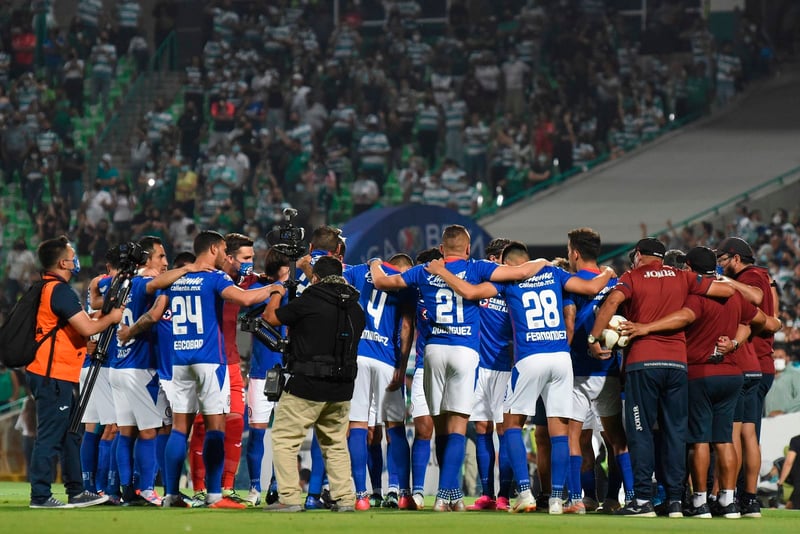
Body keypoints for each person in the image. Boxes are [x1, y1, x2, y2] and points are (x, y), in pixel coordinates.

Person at [371, 225, 609, 512]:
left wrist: (422, 269)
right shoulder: (550, 273)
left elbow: (465, 292)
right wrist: (606, 273)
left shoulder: (435, 272)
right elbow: (588, 286)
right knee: (559, 431)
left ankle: (517, 493)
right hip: (555, 356)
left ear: (443, 249)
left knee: (473, 426)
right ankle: (559, 500)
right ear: (469, 249)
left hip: (481, 354)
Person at [620, 246, 778, 518]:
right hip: (732, 374)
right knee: (726, 440)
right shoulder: (733, 295)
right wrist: (735, 343)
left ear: (690, 268)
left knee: (698, 442)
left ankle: (699, 501)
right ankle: (731, 502)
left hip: (700, 374)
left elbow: (685, 317)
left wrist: (645, 327)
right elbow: (763, 321)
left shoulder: (695, 297)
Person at [588, 238, 736, 517]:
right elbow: (725, 289)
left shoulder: (631, 277)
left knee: (640, 431)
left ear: (639, 255)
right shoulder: (683, 276)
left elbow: (613, 301)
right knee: (675, 432)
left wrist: (593, 337)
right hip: (677, 364)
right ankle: (676, 500)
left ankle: (643, 500)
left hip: (643, 363)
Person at [157, 231, 283, 508]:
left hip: (179, 360)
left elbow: (155, 293)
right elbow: (245, 300)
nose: (225, 255)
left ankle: (171, 494)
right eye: (223, 249)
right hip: (210, 360)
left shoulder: (176, 278)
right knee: (216, 427)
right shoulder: (216, 278)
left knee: (180, 429)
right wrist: (276, 288)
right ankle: (215, 495)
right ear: (214, 249)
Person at [263, 256, 366, 512]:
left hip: (307, 385)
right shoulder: (355, 306)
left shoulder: (310, 299)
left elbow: (271, 318)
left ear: (316, 278)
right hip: (342, 387)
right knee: (335, 443)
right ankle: (344, 499)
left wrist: (277, 292)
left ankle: (288, 498)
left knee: (285, 439)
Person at [26, 236, 123, 508]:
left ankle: (77, 491)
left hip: (58, 371)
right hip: (52, 372)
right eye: (72, 254)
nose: (76, 258)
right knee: (50, 435)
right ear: (63, 262)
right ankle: (40, 496)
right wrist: (112, 318)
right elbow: (89, 328)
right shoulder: (60, 290)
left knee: (71, 433)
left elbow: (73, 327)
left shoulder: (47, 288)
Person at [563, 228, 635, 514]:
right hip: (609, 370)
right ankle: (626, 498)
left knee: (576, 437)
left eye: (569, 251)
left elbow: (570, 322)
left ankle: (580, 499)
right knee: (616, 438)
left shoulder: (570, 283)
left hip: (579, 369)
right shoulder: (615, 282)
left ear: (575, 253)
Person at [344, 253, 416, 510]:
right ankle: (400, 492)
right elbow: (407, 326)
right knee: (395, 428)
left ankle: (361, 495)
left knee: (358, 426)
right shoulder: (407, 285)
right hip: (387, 361)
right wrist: (402, 364)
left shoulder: (358, 273)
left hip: (358, 357)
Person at [716, 236, 779, 517]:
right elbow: (772, 316)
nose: (720, 267)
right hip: (761, 364)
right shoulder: (764, 276)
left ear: (736, 259)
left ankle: (731, 497)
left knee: (736, 434)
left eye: (723, 261)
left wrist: (727, 282)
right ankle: (750, 499)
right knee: (750, 434)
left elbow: (757, 301)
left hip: (745, 360)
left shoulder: (751, 277)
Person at [465, 238, 513, 512]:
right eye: (496, 258)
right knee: (482, 428)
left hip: (506, 367)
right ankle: (487, 494)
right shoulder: (478, 286)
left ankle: (505, 495)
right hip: (480, 366)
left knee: (506, 430)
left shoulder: (514, 287)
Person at [244, 247, 290, 507]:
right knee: (259, 433)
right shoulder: (263, 290)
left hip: (283, 370)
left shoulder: (293, 290)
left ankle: (272, 486)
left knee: (279, 434)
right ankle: (256, 488)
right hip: (265, 371)